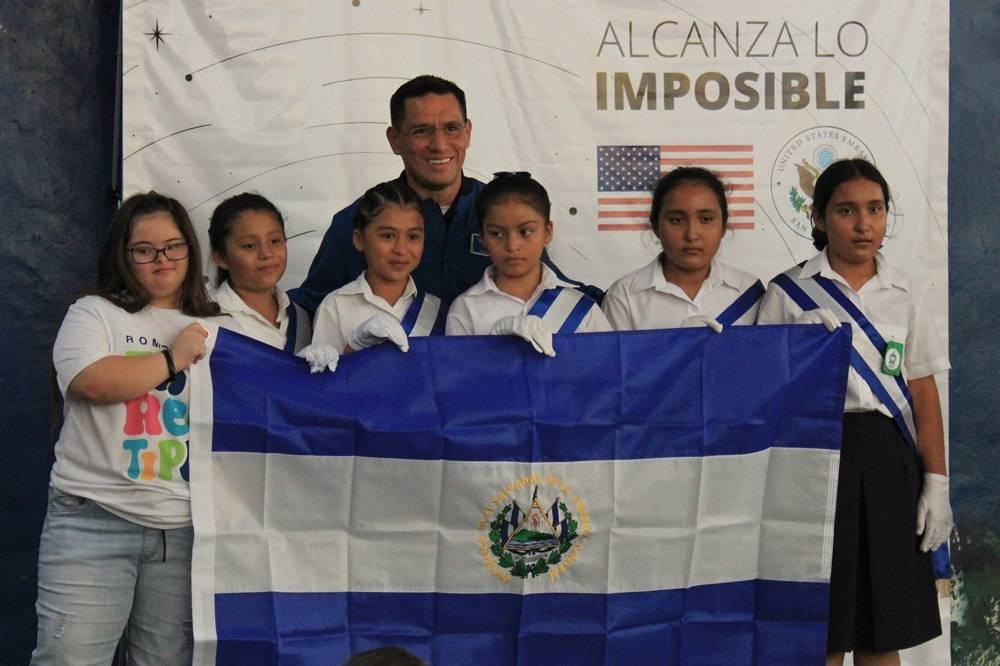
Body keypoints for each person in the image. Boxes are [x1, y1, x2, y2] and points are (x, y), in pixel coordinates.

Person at [756, 159, 951, 665]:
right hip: (813, 463)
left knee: (880, 629)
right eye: (846, 211)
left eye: (875, 209)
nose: (864, 224)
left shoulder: (905, 293)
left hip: (888, 464)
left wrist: (937, 481)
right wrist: (793, 350)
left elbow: (923, 390)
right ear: (819, 218)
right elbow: (759, 393)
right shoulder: (787, 293)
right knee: (821, 631)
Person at [32, 192, 219, 664]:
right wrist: (173, 357)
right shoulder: (94, 313)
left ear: (191, 250)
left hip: (182, 532)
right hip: (93, 519)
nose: (162, 259)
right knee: (68, 659)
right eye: (144, 249)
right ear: (124, 254)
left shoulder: (220, 323)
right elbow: (92, 382)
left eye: (174, 246)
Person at [291, 74, 598, 313]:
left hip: (481, 389)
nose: (439, 145)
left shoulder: (503, 212)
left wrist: (630, 302)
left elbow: (557, 294)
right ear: (394, 139)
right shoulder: (360, 220)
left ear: (468, 132)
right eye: (421, 131)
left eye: (451, 128)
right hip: (402, 392)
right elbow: (308, 311)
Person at [446, 172, 609, 356]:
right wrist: (493, 347)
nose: (512, 245)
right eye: (496, 234)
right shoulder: (466, 308)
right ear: (482, 238)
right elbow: (461, 381)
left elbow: (606, 374)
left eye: (525, 232)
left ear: (547, 232)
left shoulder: (580, 305)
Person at [602, 166, 763, 332]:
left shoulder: (748, 291)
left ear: (723, 226)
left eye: (706, 219)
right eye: (677, 220)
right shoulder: (625, 297)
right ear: (656, 226)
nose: (692, 235)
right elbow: (613, 358)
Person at [312, 180, 444, 354]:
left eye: (413, 236)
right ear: (359, 239)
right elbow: (325, 378)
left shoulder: (434, 309)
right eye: (388, 236)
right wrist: (353, 346)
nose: (401, 249)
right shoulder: (336, 306)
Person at [209, 193, 311, 353]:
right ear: (221, 258)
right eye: (250, 245)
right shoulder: (209, 320)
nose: (267, 253)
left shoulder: (300, 317)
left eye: (275, 241)